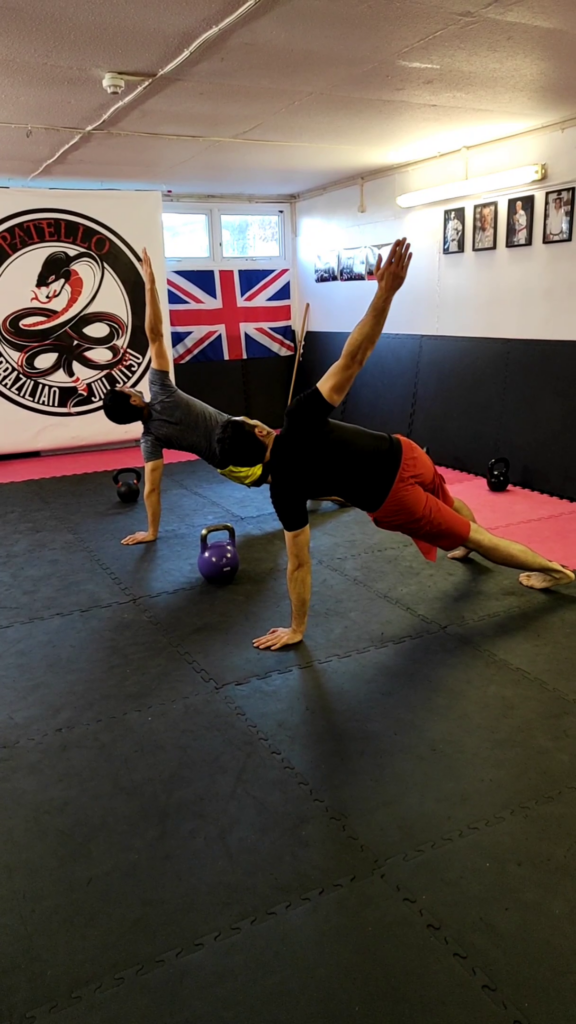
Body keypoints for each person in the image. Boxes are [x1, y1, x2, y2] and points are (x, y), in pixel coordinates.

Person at [215, 239, 574, 651]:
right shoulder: (297, 419)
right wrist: (385, 292)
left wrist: (297, 627)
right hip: (405, 452)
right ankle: (468, 541)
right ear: (261, 432)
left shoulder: (283, 492)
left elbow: (298, 563)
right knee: (447, 500)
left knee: (476, 538)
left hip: (395, 499)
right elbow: (353, 357)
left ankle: (556, 570)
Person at [102, 250, 344, 544]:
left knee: (289, 470)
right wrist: (150, 286)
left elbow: (151, 487)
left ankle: (326, 486)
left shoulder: (150, 439)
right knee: (288, 480)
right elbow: (155, 334)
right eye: (127, 391)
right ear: (134, 401)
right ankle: (335, 491)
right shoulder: (160, 390)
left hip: (238, 440)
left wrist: (152, 532)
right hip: (237, 456)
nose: (130, 387)